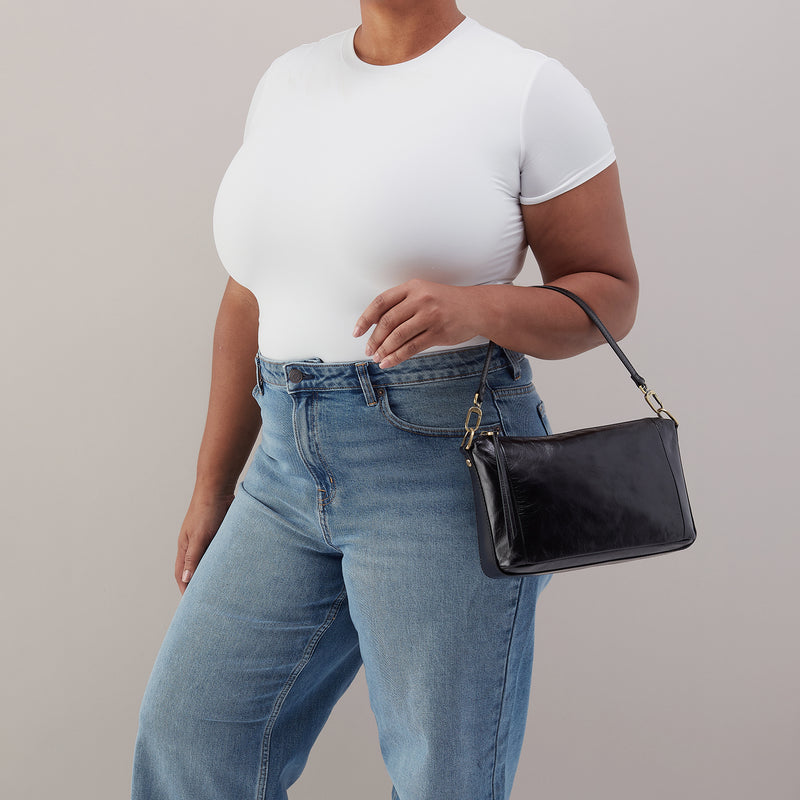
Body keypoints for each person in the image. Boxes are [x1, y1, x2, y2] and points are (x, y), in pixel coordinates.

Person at [131, 1, 639, 798]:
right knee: (191, 742)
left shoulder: (526, 89)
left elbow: (610, 296)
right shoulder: (288, 80)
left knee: (444, 777)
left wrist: (476, 308)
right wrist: (211, 483)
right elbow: (247, 295)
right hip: (282, 466)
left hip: (443, 463)